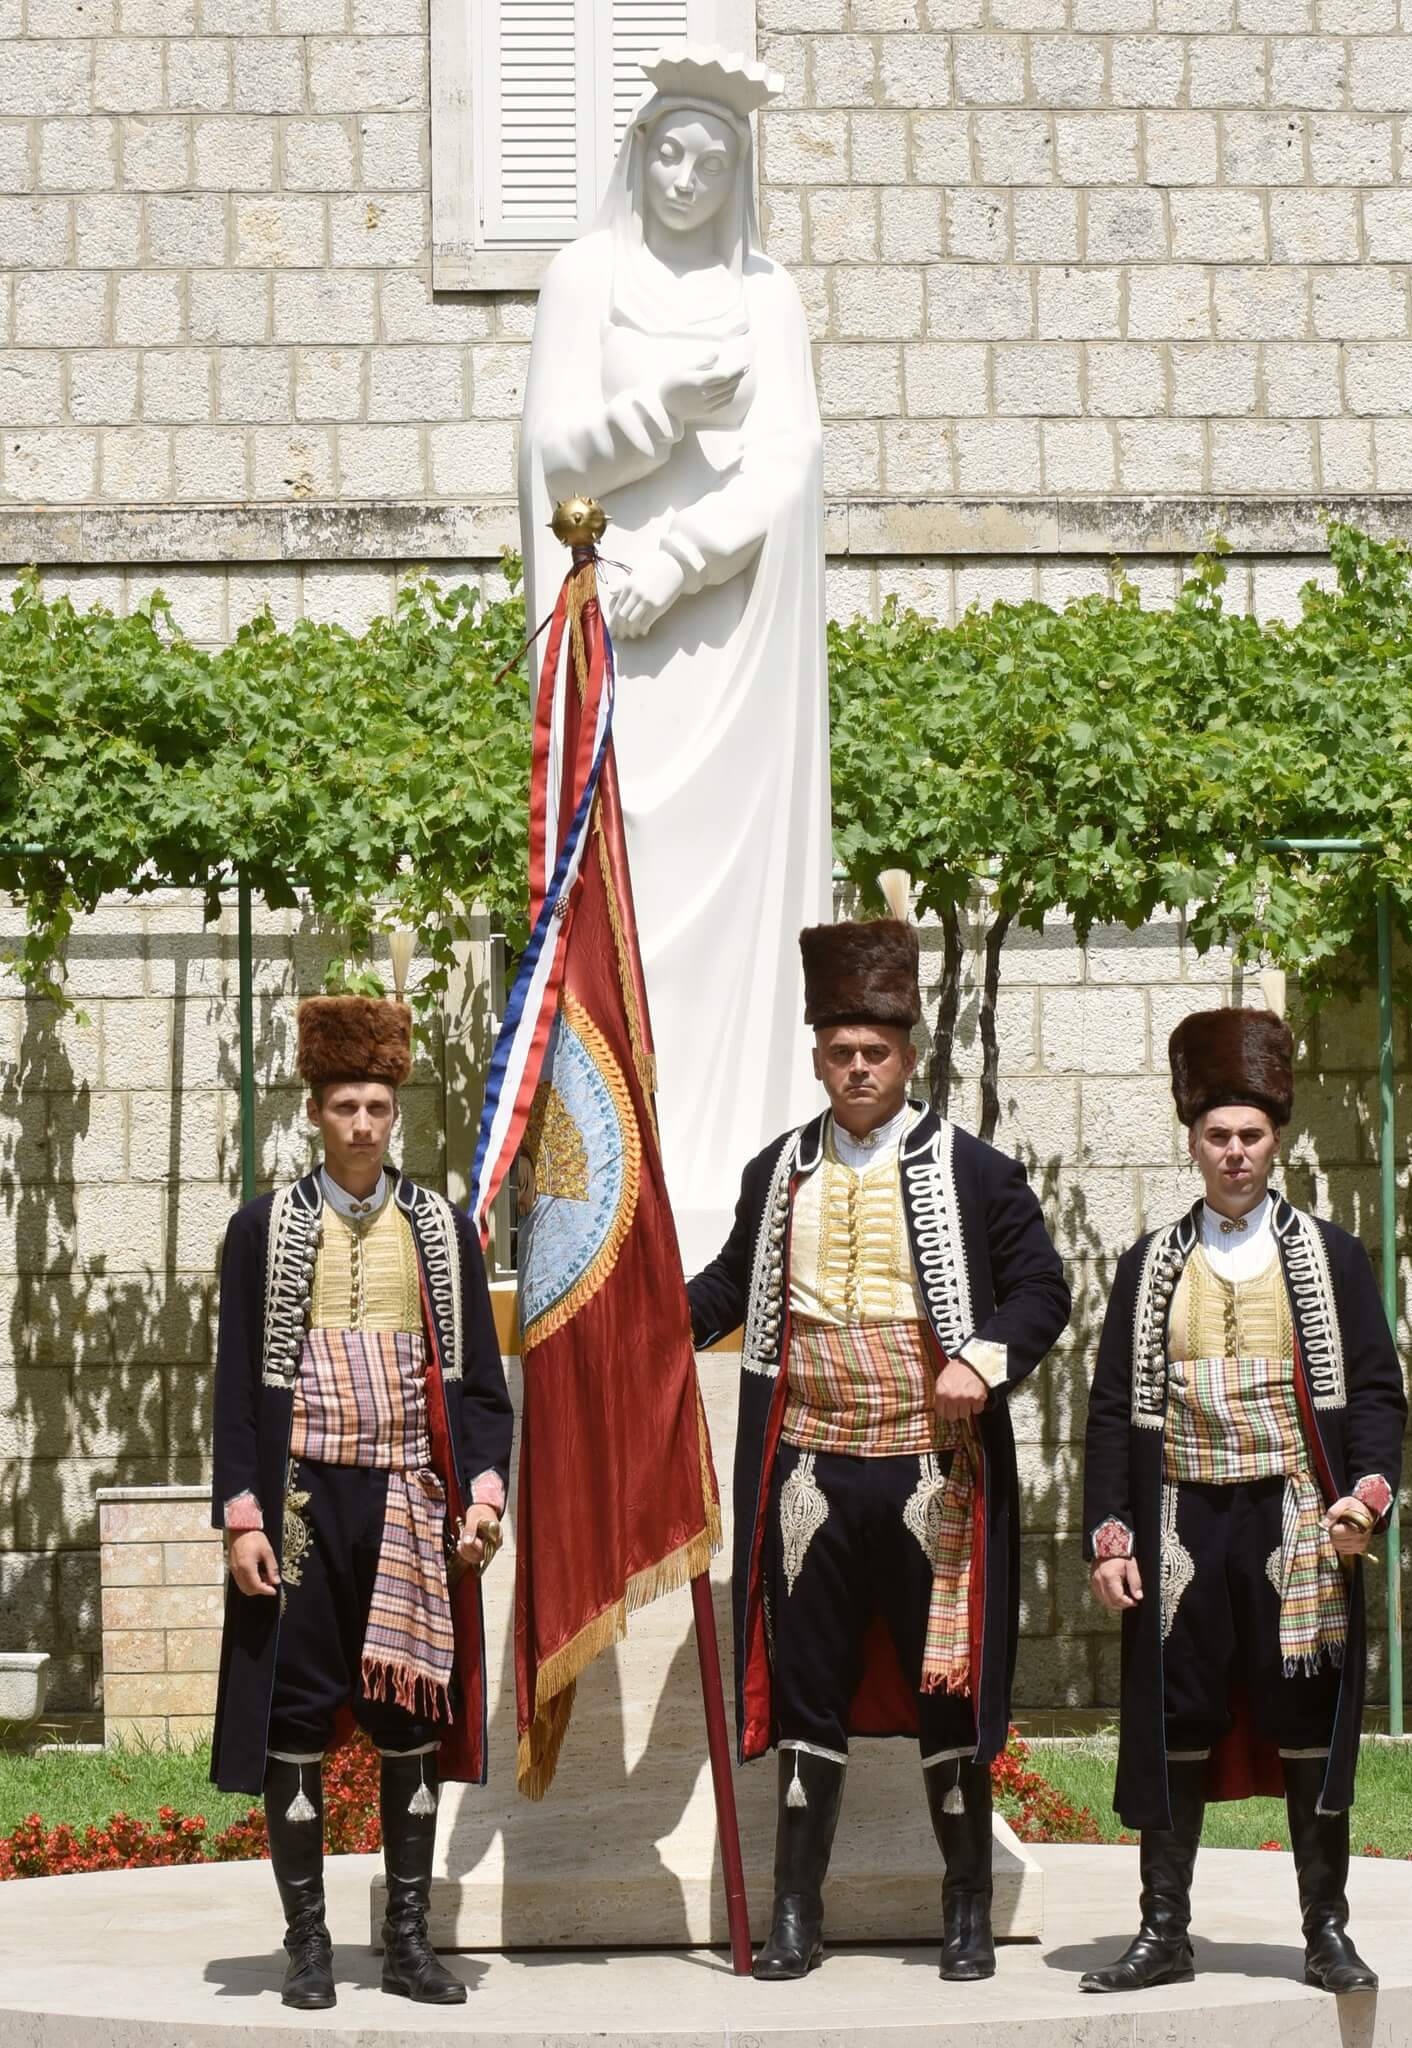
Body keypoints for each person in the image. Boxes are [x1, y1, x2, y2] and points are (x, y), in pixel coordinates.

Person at [687, 904, 1071, 1981]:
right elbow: (728, 1287)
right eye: (839, 1050)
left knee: (946, 1685)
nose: (857, 1067)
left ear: (908, 1054)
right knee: (806, 1684)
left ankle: (966, 1909)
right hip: (807, 1466)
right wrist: (642, 1323)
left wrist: (980, 1359)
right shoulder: (776, 1172)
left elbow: (1043, 1289)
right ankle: (795, 1914)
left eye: (875, 1050)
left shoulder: (977, 1171)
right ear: (817, 1056)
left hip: (928, 1469)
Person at [519, 43, 831, 1271]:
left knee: (742, 904)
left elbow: (789, 464)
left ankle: (742, 1176)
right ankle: (615, 1173)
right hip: (620, 658)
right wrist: (664, 416)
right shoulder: (583, 280)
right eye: (671, 154)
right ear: (638, 155)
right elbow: (555, 458)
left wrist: (683, 557)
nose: (688, 180)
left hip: (727, 652)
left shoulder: (770, 297)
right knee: (621, 888)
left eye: (713, 161)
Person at [1081, 1006, 1406, 1997]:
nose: (1233, 1152)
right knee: (1176, 1712)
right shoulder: (1147, 1266)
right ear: (1191, 1140)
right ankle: (1163, 1931)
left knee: (1303, 1712)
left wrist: (1363, 1499)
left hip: (1294, 1519)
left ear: (1277, 1139)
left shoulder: (1333, 1258)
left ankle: (1326, 1933)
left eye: (1250, 1135)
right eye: (1217, 1133)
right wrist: (1110, 1538)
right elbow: (1109, 1412)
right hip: (1181, 1518)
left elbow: (1376, 1393)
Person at [210, 996, 513, 2010]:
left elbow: (479, 1389)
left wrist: (482, 1491)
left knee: (405, 1712)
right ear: (313, 1111)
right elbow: (236, 1387)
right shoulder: (262, 1228)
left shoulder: (442, 1230)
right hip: (299, 1500)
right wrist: (242, 1515)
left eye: (378, 1105)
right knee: (295, 1715)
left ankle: (408, 1944)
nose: (362, 1123)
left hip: (406, 1497)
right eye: (344, 1105)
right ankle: (307, 1944)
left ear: (397, 1112)